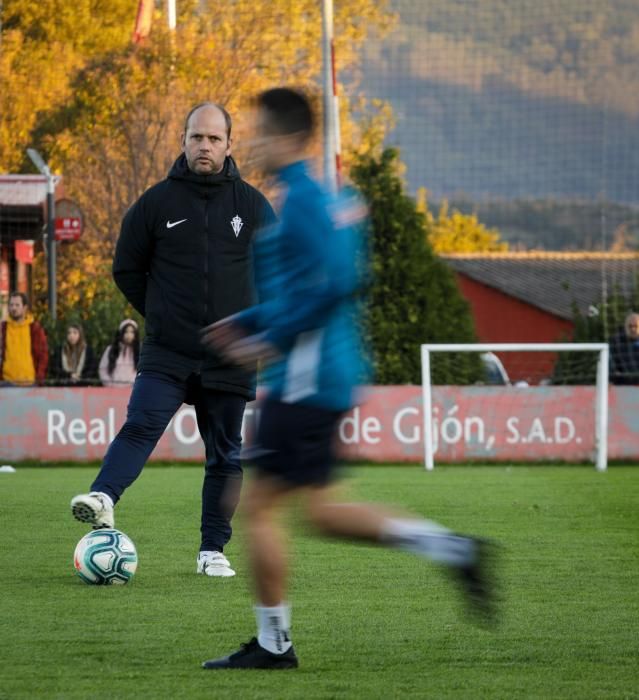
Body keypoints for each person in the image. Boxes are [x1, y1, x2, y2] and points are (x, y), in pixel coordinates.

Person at [200, 88, 496, 670]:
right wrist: (244, 322)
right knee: (322, 511)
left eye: (260, 130)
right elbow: (306, 286)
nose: (254, 140)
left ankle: (273, 644)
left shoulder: (308, 200)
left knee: (259, 507)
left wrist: (270, 337)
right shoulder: (314, 199)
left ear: (288, 138)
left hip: (307, 379)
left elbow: (334, 283)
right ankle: (453, 548)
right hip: (322, 375)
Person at [70, 102, 276, 578]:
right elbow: (126, 267)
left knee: (224, 453)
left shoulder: (251, 205)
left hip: (230, 355)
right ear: (183, 141)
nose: (204, 146)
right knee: (141, 423)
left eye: (214, 138)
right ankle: (103, 497)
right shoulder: (155, 203)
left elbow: (277, 272)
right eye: (196, 137)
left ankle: (212, 552)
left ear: (229, 145)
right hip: (168, 350)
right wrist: (162, 315)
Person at [0, 291, 48, 386]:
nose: (13, 308)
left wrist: (39, 378)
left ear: (25, 307)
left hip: (30, 382)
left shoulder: (34, 328)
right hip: (6, 382)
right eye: (11, 305)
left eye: (17, 305)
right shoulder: (3, 328)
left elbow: (43, 355)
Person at [98, 319, 140, 387]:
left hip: (133, 391)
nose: (129, 335)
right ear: (121, 333)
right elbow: (103, 369)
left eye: (132, 332)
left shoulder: (139, 351)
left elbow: (142, 372)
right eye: (126, 332)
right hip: (113, 391)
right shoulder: (111, 349)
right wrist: (110, 385)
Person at [609, 311, 639, 385]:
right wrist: (612, 378)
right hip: (623, 383)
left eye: (636, 326)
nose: (633, 329)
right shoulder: (616, 340)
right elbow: (611, 362)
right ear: (625, 326)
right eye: (630, 326)